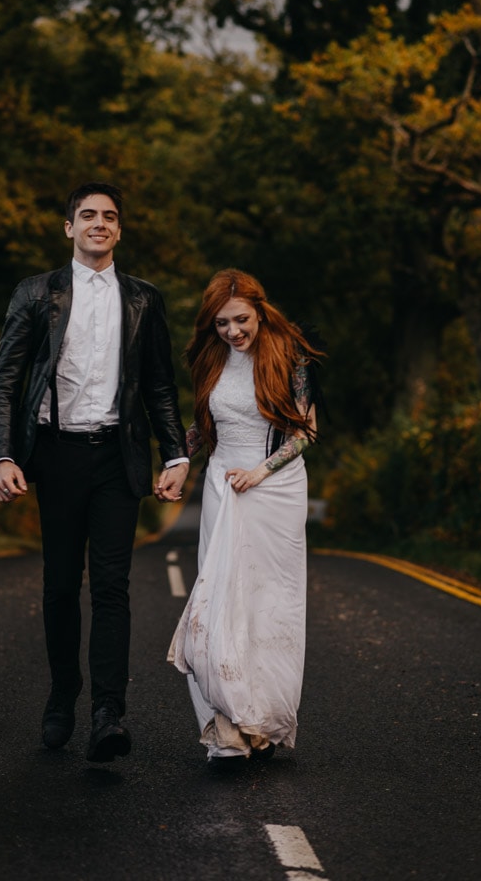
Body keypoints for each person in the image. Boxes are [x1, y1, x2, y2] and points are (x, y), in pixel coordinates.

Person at [0, 181, 189, 763]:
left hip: (116, 458)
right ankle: (62, 697)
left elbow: (158, 386)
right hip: (54, 456)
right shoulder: (36, 293)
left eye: (110, 217)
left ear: (119, 230)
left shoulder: (144, 299)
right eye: (87, 215)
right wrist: (2, 456)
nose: (99, 223)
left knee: (111, 588)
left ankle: (108, 713)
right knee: (58, 587)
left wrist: (174, 456)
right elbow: (5, 381)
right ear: (69, 227)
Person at [168, 268, 322, 773]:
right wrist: (177, 461)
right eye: (221, 324)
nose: (233, 331)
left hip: (273, 488)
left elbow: (303, 433)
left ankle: (262, 722)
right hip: (221, 484)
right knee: (218, 598)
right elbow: (204, 424)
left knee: (266, 602)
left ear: (259, 310)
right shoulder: (212, 359)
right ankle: (229, 726)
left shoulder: (289, 357)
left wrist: (259, 471)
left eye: (241, 320)